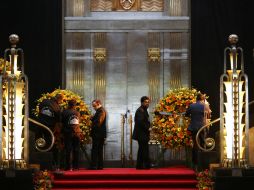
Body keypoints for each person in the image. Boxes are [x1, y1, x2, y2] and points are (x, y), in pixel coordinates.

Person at [185, 93, 210, 171]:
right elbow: (208, 114)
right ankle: (203, 163)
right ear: (202, 99)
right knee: (202, 143)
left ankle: (195, 163)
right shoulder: (205, 106)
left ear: (196, 99)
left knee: (195, 145)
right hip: (202, 127)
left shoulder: (192, 105)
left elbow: (186, 114)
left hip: (193, 127)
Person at [38, 93, 63, 169]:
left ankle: (41, 163)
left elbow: (40, 109)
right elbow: (58, 120)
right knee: (51, 145)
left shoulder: (44, 101)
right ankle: (52, 164)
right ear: (59, 100)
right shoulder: (57, 107)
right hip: (50, 128)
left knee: (40, 144)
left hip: (40, 125)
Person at [61, 99, 81, 171]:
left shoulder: (64, 112)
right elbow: (78, 122)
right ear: (74, 105)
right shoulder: (77, 112)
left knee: (68, 150)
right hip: (77, 133)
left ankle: (68, 167)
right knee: (76, 150)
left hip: (68, 133)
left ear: (68, 104)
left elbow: (61, 122)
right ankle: (76, 167)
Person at [132, 96, 151, 169]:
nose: (147, 103)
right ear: (142, 102)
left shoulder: (144, 110)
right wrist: (148, 128)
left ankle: (139, 166)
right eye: (146, 102)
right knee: (144, 149)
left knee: (141, 149)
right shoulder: (140, 110)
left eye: (148, 102)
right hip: (141, 134)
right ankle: (146, 166)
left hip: (142, 133)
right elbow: (141, 122)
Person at [88, 99, 107, 170]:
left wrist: (91, 125)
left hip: (98, 134)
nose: (93, 107)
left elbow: (98, 122)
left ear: (98, 103)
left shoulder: (101, 111)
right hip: (100, 133)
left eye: (94, 106)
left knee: (95, 150)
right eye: (93, 106)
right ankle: (99, 166)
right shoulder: (100, 110)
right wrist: (92, 119)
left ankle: (94, 166)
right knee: (99, 150)